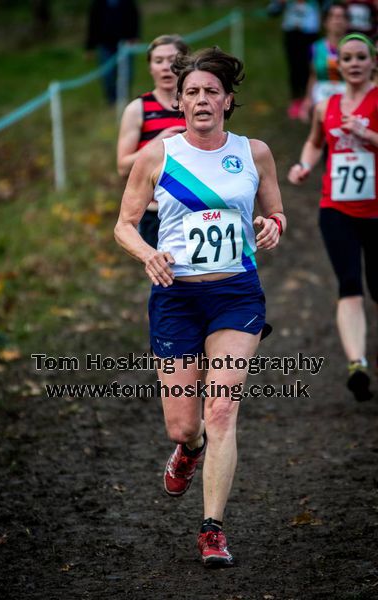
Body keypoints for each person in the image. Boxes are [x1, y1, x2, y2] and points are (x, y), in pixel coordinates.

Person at [114, 47, 286, 567]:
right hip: (177, 297)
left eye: (212, 91)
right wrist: (148, 253)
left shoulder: (254, 152)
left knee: (222, 410)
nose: (202, 99)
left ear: (228, 100)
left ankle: (212, 529)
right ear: (180, 102)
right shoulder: (157, 156)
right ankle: (189, 450)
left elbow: (276, 210)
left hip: (236, 294)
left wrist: (272, 225)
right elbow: (124, 225)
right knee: (184, 426)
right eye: (192, 92)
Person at [288, 33, 378, 402]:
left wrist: (366, 134)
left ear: (373, 61)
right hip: (336, 207)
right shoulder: (327, 105)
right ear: (337, 64)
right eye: (347, 58)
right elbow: (315, 142)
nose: (354, 63)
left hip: (376, 211)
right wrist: (304, 165)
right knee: (349, 284)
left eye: (361, 57)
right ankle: (357, 364)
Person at [117, 35, 188, 249]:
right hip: (156, 214)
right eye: (158, 61)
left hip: (196, 208)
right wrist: (157, 143)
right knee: (163, 270)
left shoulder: (197, 105)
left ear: (186, 64)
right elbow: (122, 167)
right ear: (150, 67)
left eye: (173, 60)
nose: (166, 67)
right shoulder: (138, 109)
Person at [299, 2, 349, 122]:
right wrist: (307, 100)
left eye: (341, 16)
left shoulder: (355, 49)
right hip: (321, 99)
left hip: (347, 101)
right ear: (325, 22)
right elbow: (313, 75)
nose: (337, 20)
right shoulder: (315, 48)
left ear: (347, 22)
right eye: (333, 16)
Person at [86, 0, 140, 105]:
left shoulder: (127, 2)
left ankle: (123, 98)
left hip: (125, 44)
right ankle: (112, 100)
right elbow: (93, 23)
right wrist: (90, 47)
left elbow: (134, 17)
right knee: (107, 75)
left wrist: (134, 36)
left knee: (126, 73)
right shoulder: (98, 3)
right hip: (105, 45)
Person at [280, 0, 321, 118]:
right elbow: (273, 10)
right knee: (294, 67)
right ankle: (296, 99)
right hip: (292, 34)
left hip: (310, 34)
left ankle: (309, 99)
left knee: (310, 67)